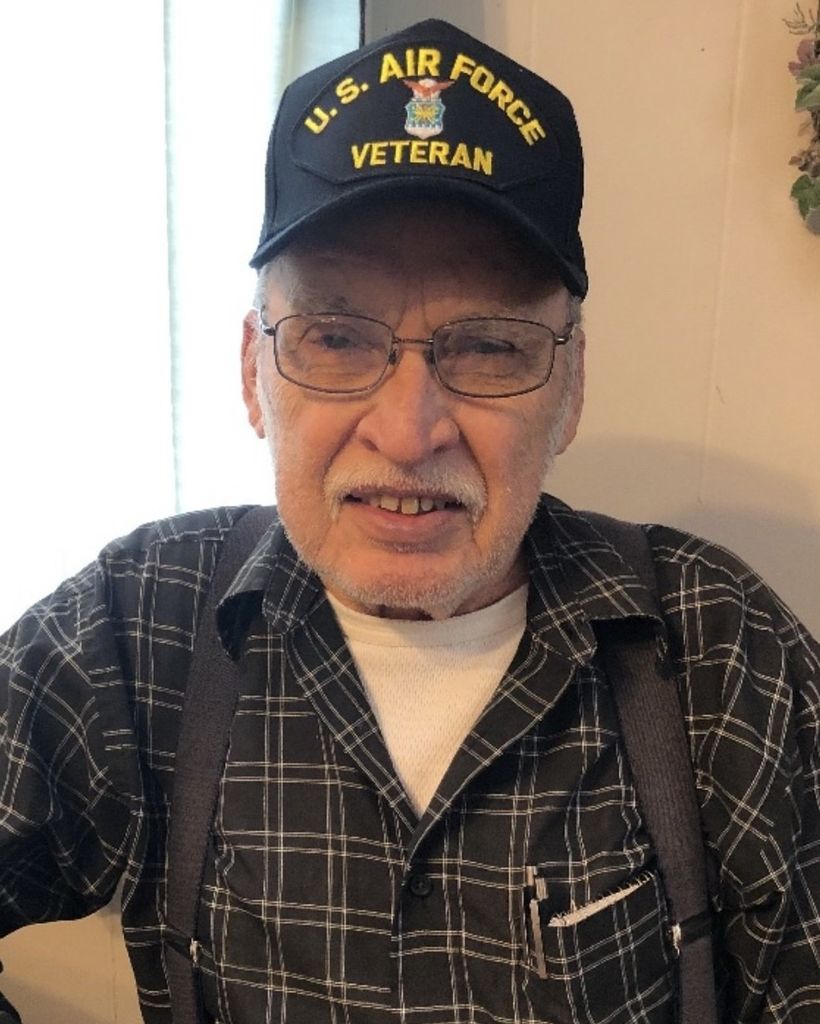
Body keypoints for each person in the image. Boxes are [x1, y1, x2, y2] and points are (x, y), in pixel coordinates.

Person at [1, 18, 818, 1024]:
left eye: (489, 347)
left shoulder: (716, 647)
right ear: (254, 375)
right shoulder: (138, 629)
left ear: (568, 387)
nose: (407, 429)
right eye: (336, 338)